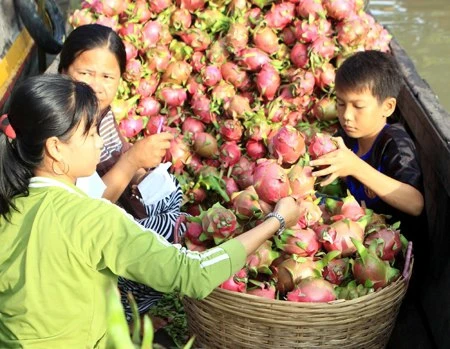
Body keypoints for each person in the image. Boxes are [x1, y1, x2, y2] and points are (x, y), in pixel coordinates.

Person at [0, 74, 300, 348]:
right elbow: (192, 274)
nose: (99, 141)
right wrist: (275, 221)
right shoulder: (95, 218)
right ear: (55, 148)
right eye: (90, 133)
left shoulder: (9, 206)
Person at [57, 24, 184, 319]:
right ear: (63, 71)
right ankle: (116, 313)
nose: (96, 85)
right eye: (85, 74)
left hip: (93, 217)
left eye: (107, 77)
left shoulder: (98, 113)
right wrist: (131, 162)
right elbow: (87, 208)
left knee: (170, 197)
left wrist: (137, 168)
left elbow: (113, 154)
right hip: (73, 235)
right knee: (164, 241)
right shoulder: (62, 123)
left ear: (120, 80)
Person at [310, 50, 424, 237]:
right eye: (340, 104)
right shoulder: (347, 137)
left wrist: (355, 167)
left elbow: (416, 203)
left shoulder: (395, 143)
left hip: (388, 246)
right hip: (355, 230)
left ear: (387, 107)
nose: (346, 115)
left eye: (358, 106)